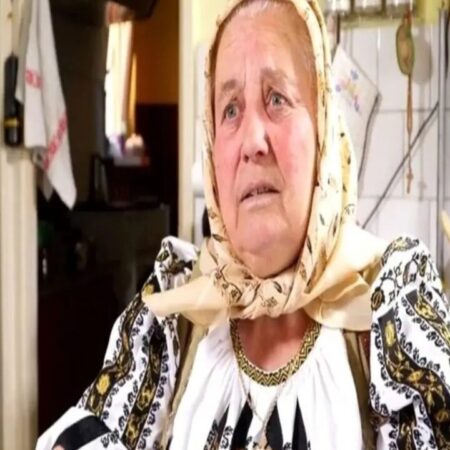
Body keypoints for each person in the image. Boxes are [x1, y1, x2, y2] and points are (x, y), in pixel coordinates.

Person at [38, 0, 450, 449]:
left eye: (277, 99)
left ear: (323, 131)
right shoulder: (174, 316)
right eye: (230, 110)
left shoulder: (392, 311)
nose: (253, 141)